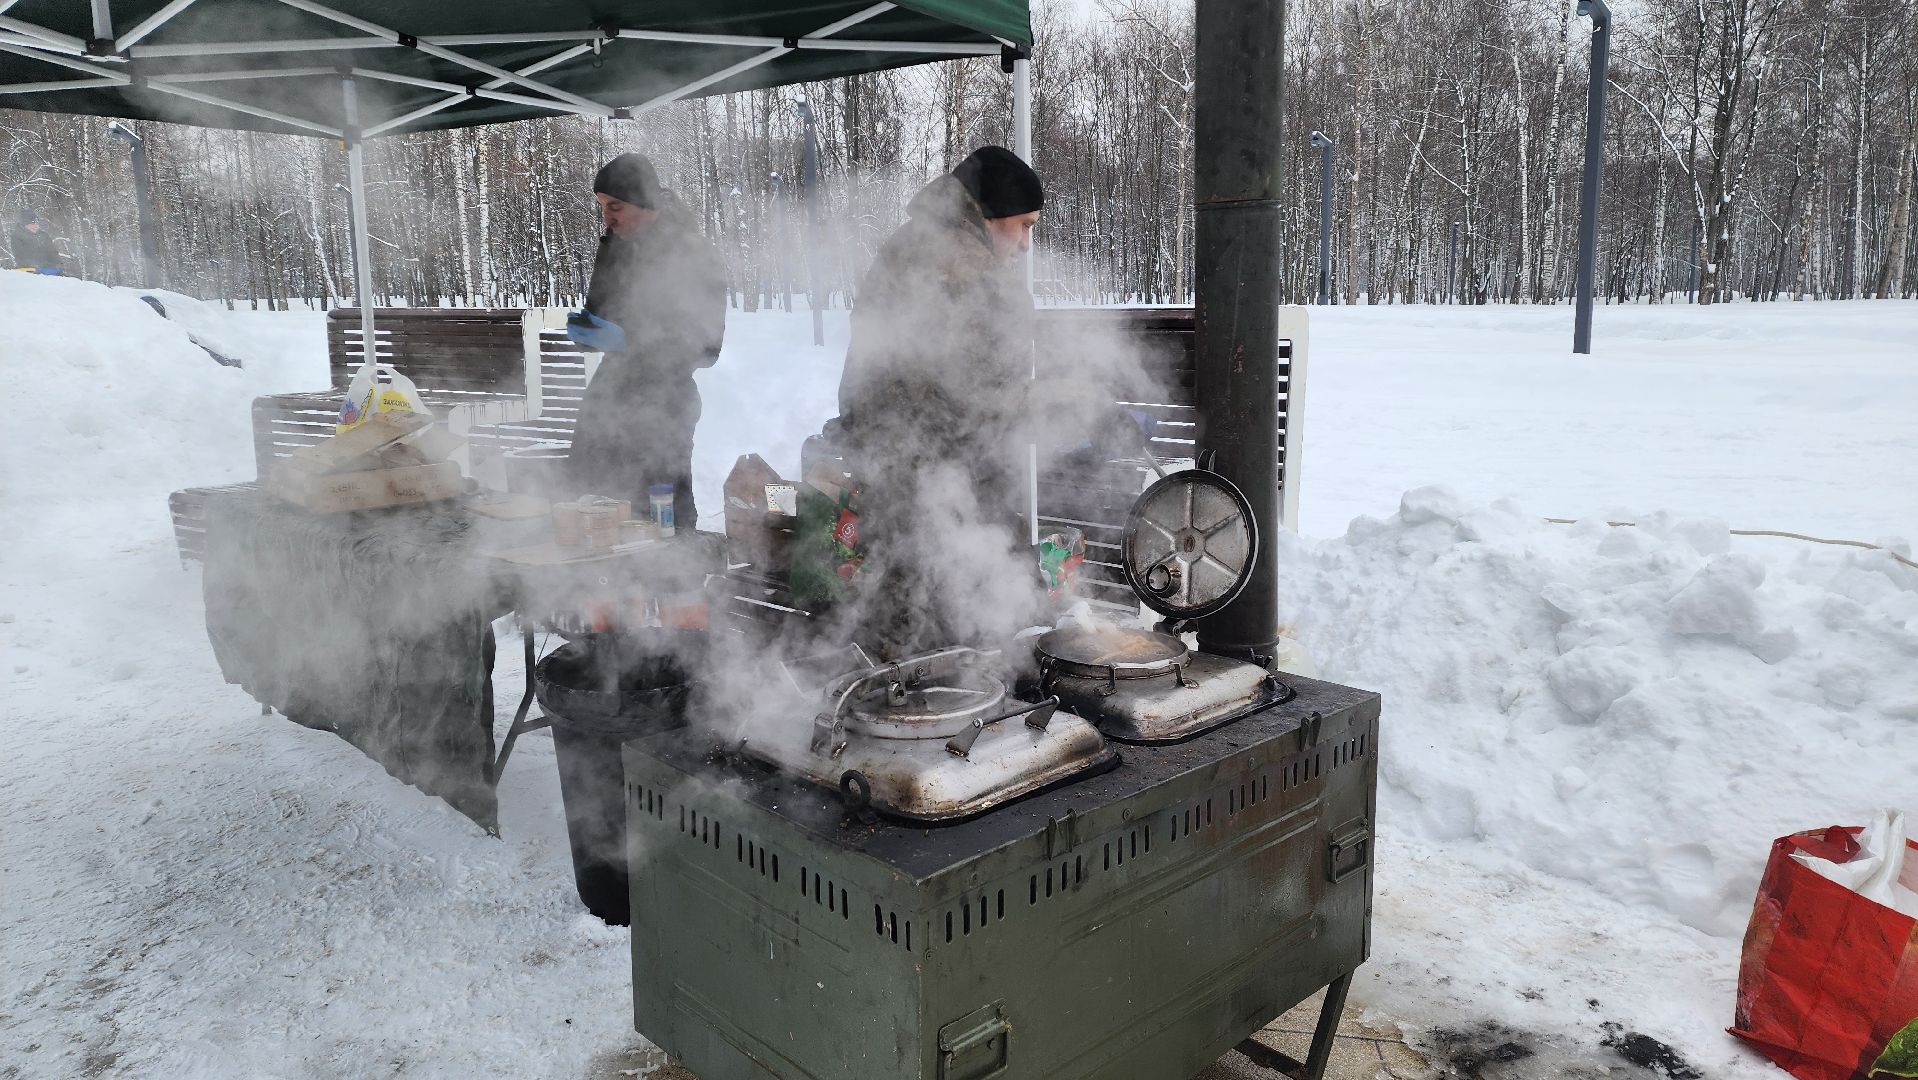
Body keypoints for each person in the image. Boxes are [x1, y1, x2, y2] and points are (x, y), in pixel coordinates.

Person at [831, 146, 1047, 659]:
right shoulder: (970, 270)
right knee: (948, 628)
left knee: (896, 603)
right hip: (936, 474)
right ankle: (936, 714)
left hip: (889, 461)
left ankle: (889, 700)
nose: (1026, 243)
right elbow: (994, 397)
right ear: (990, 216)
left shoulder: (908, 243)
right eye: (1024, 225)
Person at [564, 153, 726, 531]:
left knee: (662, 514)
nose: (608, 218)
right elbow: (600, 313)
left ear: (644, 203)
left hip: (663, 404)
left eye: (615, 207)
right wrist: (589, 333)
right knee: (594, 504)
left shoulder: (693, 254)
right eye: (603, 208)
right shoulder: (613, 247)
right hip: (610, 397)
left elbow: (707, 347)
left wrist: (630, 341)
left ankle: (680, 584)